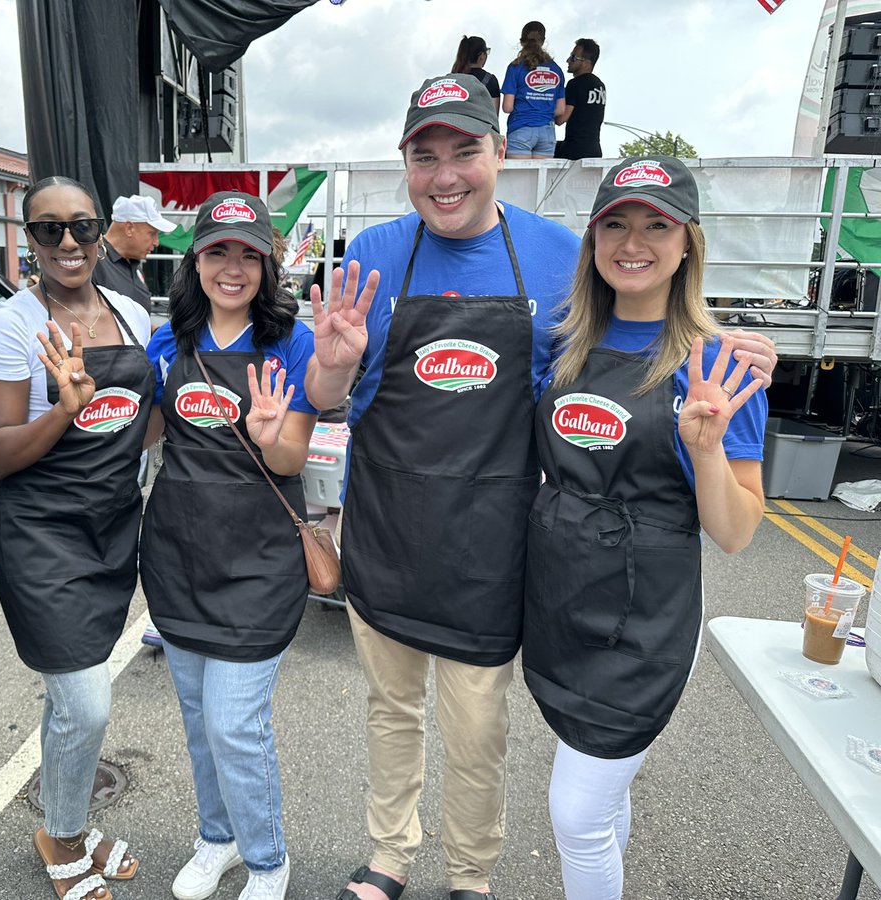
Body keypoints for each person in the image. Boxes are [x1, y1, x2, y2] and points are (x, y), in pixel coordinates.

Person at [305, 78, 778, 900]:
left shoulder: (560, 257)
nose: (445, 174)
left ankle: (471, 876)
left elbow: (639, 322)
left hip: (491, 549)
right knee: (389, 713)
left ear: (501, 153)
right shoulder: (373, 255)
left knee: (477, 732)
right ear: (405, 163)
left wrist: (728, 344)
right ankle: (389, 856)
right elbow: (322, 396)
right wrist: (331, 369)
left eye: (465, 151)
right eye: (426, 155)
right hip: (385, 533)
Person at [522, 157, 766, 899]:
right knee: (602, 798)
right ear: (593, 240)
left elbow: (736, 532)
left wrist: (706, 447)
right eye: (616, 223)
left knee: (574, 811)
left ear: (687, 242)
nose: (635, 241)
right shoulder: (562, 346)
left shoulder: (721, 363)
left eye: (657, 224)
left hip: (647, 620)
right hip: (562, 603)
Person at [0, 176, 148, 900]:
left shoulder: (133, 312)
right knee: (85, 703)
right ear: (29, 239)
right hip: (42, 535)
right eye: (49, 230)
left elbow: (149, 414)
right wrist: (66, 410)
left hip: (111, 528)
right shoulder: (10, 326)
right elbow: (0, 453)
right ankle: (63, 836)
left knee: (65, 699)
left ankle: (67, 813)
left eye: (81, 226)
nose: (68, 243)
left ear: (102, 230)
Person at [139, 190, 319, 900]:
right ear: (196, 261)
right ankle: (217, 838)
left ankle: (269, 858)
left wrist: (275, 435)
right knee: (197, 721)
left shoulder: (292, 344)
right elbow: (152, 435)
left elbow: (292, 461)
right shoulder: (168, 341)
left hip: (260, 561)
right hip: (179, 555)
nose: (234, 267)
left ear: (270, 264)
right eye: (219, 251)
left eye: (250, 253)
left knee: (235, 724)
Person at [91, 193, 178, 318]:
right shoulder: (95, 262)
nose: (156, 242)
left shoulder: (131, 262)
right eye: (152, 233)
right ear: (129, 228)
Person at [501, 20, 566, 159]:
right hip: (547, 131)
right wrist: (542, 110)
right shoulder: (556, 70)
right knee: (542, 180)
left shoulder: (515, 67)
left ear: (522, 41)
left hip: (520, 128)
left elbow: (507, 107)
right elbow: (561, 110)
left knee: (519, 180)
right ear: (543, 41)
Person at [554, 38, 606, 161]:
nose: (568, 60)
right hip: (594, 149)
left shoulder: (575, 84)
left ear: (586, 63)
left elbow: (561, 119)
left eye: (573, 57)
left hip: (574, 150)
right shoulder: (600, 85)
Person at [451, 35, 500, 114]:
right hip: (479, 125)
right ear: (481, 56)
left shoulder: (452, 78)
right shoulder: (490, 80)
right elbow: (494, 115)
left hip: (454, 123)